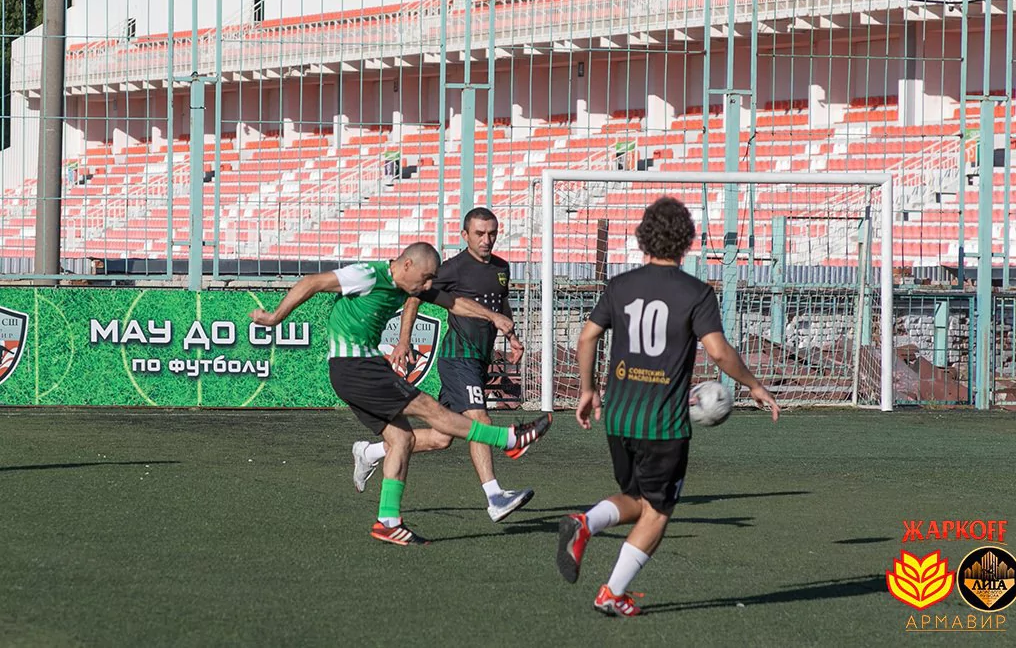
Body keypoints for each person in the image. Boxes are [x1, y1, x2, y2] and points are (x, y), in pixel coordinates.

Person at [555, 197, 781, 616]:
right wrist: (752, 385)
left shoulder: (619, 285)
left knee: (638, 499)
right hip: (663, 425)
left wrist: (587, 390)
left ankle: (586, 524)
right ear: (687, 241)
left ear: (644, 236)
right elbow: (717, 351)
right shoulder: (696, 293)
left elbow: (586, 338)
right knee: (659, 512)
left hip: (620, 417)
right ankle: (611, 590)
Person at [249, 242, 552, 547]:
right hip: (356, 366)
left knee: (402, 440)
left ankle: (388, 522)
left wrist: (493, 317)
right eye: (425, 277)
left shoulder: (410, 285)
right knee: (430, 409)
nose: (428, 285)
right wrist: (275, 318)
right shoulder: (367, 275)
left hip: (356, 370)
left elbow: (453, 302)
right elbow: (312, 282)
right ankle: (509, 440)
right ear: (406, 265)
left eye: (431, 279)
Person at [352, 208, 534, 523]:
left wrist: (513, 338)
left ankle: (370, 452)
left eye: (491, 233)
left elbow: (500, 304)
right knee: (480, 419)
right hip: (457, 357)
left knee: (442, 438)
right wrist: (403, 341)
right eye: (479, 233)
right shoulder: (452, 269)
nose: (486, 239)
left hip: (478, 359)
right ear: (465, 235)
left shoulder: (502, 267)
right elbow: (414, 298)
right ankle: (495, 497)